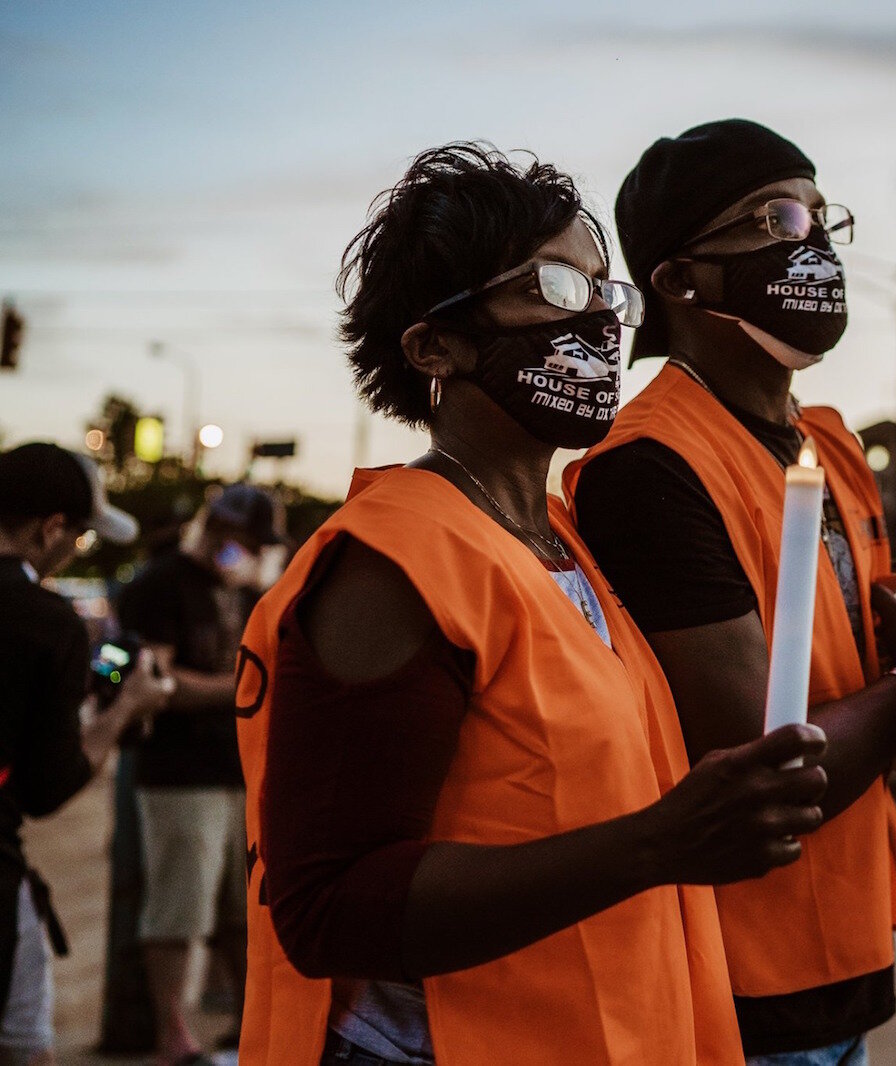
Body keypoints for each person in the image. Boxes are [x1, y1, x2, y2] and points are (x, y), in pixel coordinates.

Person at [234, 142, 830, 1066]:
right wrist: (658, 844)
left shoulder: (562, 541)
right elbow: (331, 909)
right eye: (551, 289)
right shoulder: (392, 560)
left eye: (603, 292)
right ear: (437, 344)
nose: (595, 317)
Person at [567, 118, 896, 1063]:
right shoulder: (646, 467)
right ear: (677, 279)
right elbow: (762, 764)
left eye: (822, 215)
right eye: (775, 217)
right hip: (727, 984)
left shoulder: (830, 447)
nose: (813, 242)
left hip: (844, 966)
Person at [0, 442, 172, 1064]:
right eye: (80, 537)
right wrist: (127, 708)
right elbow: (48, 788)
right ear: (50, 529)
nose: (75, 549)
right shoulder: (45, 621)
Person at [115, 483, 281, 1066]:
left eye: (260, 547)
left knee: (245, 910)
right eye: (245, 542)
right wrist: (247, 688)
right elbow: (153, 681)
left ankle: (244, 1023)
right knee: (179, 906)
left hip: (240, 770)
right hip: (180, 772)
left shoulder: (240, 588)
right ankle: (172, 1036)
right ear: (215, 530)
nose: (251, 555)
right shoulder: (160, 584)